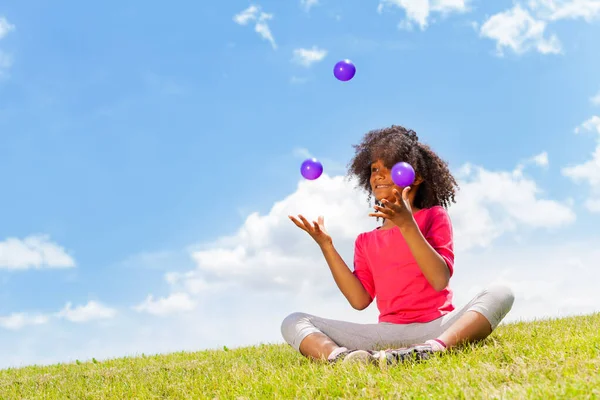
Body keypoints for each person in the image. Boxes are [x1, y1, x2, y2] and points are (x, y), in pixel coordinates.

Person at [281, 125, 515, 366]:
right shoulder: (365, 240)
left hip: (438, 327)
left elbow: (439, 279)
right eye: (374, 169)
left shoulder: (434, 216)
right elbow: (359, 300)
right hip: (387, 333)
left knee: (501, 293)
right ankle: (343, 360)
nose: (378, 175)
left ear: (417, 176)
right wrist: (327, 247)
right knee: (293, 321)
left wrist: (407, 225)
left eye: (390, 167)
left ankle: (431, 350)